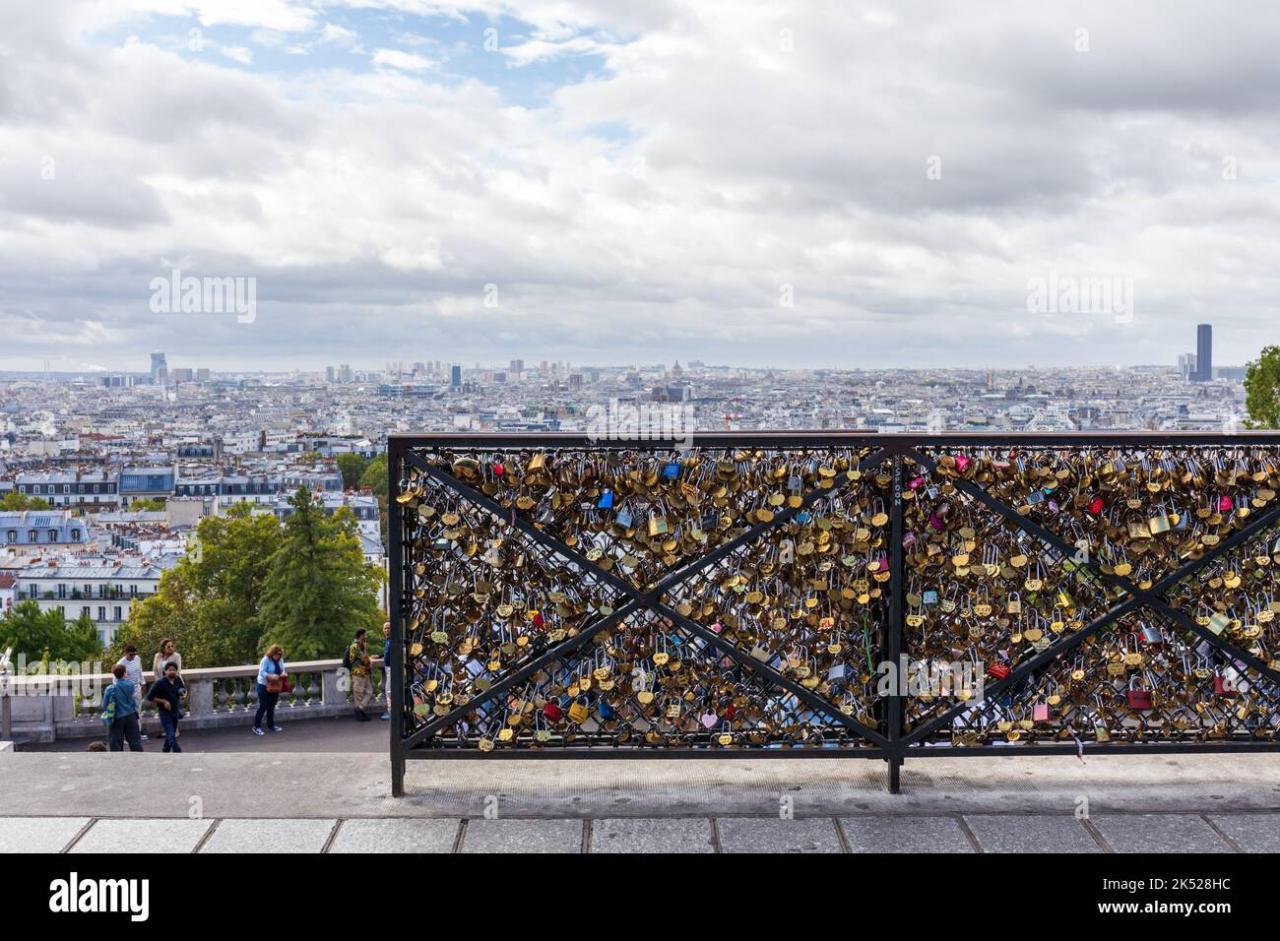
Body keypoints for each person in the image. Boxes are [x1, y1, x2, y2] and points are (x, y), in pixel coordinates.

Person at [145, 661, 186, 753]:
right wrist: (163, 701)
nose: (172, 672)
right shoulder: (160, 683)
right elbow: (149, 697)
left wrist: (182, 695)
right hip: (164, 712)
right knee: (171, 735)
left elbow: (182, 690)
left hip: (175, 711)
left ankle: (165, 752)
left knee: (170, 735)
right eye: (169, 670)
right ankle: (179, 754)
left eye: (174, 670)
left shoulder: (177, 680)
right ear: (165, 671)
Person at [101, 663, 143, 752]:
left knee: (115, 742)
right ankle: (139, 760)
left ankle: (118, 762)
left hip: (116, 717)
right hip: (131, 715)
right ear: (124, 673)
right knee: (135, 741)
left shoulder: (110, 689)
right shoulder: (130, 685)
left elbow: (104, 705)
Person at [252, 644, 287, 736]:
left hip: (275, 685)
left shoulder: (280, 660)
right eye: (276, 654)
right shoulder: (266, 660)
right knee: (263, 706)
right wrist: (269, 676)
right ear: (272, 653)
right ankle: (256, 726)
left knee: (271, 705)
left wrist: (283, 673)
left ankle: (271, 725)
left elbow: (282, 669)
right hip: (263, 685)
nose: (277, 656)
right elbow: (261, 672)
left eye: (279, 655)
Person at [116, 645, 148, 740]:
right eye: (131, 655)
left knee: (137, 712)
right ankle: (126, 736)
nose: (133, 656)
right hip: (126, 692)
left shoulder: (137, 659)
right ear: (125, 653)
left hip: (136, 689)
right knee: (127, 713)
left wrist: (143, 683)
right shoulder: (121, 663)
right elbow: (116, 679)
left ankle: (137, 732)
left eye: (134, 654)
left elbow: (140, 671)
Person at [347, 628, 374, 722]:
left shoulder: (361, 645)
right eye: (365, 635)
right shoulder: (355, 646)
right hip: (358, 673)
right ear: (361, 635)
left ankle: (360, 709)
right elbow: (364, 659)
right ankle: (360, 714)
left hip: (365, 672)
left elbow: (366, 659)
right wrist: (366, 648)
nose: (366, 637)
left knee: (369, 691)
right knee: (358, 694)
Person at [380, 621, 391, 721]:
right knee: (388, 690)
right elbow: (387, 653)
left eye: (388, 628)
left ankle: (391, 712)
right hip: (388, 668)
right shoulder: (387, 640)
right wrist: (380, 656)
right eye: (385, 628)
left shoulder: (392, 640)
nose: (387, 630)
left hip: (392, 668)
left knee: (389, 691)